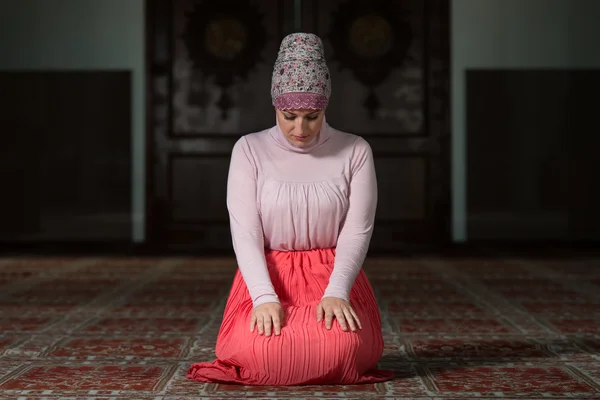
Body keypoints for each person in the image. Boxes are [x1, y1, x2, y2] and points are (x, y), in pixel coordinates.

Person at [187, 32, 393, 386]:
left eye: (312, 116)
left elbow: (358, 229)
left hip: (332, 273)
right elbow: (246, 231)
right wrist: (265, 298)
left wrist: (338, 290)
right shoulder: (249, 149)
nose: (301, 129)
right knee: (260, 351)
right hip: (269, 273)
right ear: (275, 106)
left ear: (325, 107)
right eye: (290, 115)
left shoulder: (355, 150)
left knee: (341, 349)